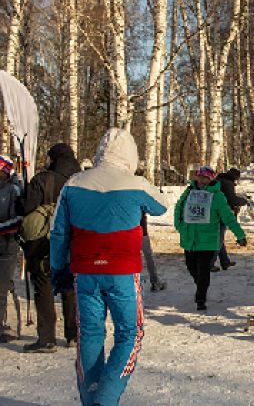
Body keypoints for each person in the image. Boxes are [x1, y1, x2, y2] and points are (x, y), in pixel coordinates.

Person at [50, 128, 167, 406]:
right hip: (123, 273)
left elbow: (58, 232)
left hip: (85, 272)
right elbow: (161, 206)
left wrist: (58, 269)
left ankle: (91, 396)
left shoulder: (74, 184)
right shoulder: (136, 184)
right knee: (130, 334)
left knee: (90, 334)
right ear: (130, 154)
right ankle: (105, 398)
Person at [17, 143, 81, 352]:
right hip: (73, 240)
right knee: (70, 286)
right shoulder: (81, 181)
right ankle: (73, 335)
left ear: (53, 159)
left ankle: (47, 339)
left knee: (43, 285)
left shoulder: (43, 179)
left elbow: (26, 207)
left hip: (43, 241)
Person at [175, 166, 247, 311]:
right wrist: (180, 226)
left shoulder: (217, 196)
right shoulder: (189, 192)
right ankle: (201, 286)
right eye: (199, 177)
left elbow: (228, 217)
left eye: (205, 178)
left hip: (208, 240)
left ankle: (200, 299)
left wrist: (240, 235)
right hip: (190, 239)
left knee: (203, 271)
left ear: (210, 179)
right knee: (191, 267)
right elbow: (179, 208)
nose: (201, 180)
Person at [0, 156, 21, 343]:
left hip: (8, 245)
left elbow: (17, 219)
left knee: (2, 286)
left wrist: (2, 228)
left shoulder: (14, 190)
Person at [210, 168, 247, 272]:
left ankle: (225, 262)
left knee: (219, 239)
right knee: (218, 240)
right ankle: (209, 264)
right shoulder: (228, 183)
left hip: (214, 212)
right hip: (221, 213)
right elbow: (231, 199)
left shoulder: (218, 180)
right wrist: (244, 201)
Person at [140, 213, 165, 291]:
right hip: (141, 232)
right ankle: (155, 282)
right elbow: (156, 210)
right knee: (148, 257)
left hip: (126, 233)